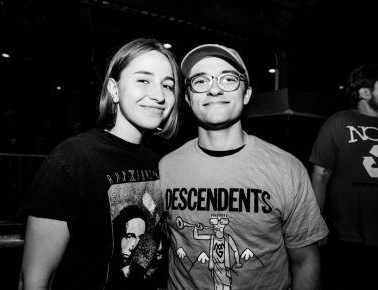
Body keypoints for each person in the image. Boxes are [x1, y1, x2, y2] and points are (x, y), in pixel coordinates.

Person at [159, 44, 328, 290]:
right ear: (187, 97)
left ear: (246, 94)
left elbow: (305, 262)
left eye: (228, 79)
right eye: (200, 81)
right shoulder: (165, 167)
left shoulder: (287, 169)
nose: (215, 89)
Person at [18, 38, 182, 290]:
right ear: (114, 90)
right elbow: (34, 281)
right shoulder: (73, 158)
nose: (159, 95)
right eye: (143, 80)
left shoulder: (157, 160)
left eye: (168, 85)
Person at [309, 63, 378, 289]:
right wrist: (315, 224)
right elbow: (320, 175)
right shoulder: (340, 121)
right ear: (365, 93)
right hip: (350, 236)